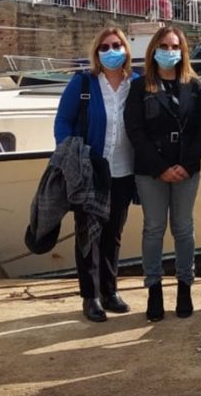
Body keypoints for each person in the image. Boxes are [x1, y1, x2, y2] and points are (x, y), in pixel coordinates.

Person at [124, 26, 201, 322]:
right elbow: (135, 130)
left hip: (187, 169)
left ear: (183, 51)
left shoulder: (195, 86)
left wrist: (185, 165)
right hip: (151, 171)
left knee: (184, 228)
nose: (169, 51)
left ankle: (185, 286)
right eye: (164, 46)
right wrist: (160, 167)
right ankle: (154, 289)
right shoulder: (140, 87)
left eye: (175, 46)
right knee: (154, 228)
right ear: (153, 50)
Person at [53, 27, 137, 323]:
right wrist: (69, 156)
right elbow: (63, 121)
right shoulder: (84, 83)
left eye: (116, 45)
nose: (111, 51)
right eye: (104, 47)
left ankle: (110, 291)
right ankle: (90, 297)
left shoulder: (135, 84)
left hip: (124, 171)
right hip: (90, 171)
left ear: (126, 49)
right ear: (96, 53)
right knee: (88, 235)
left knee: (113, 234)